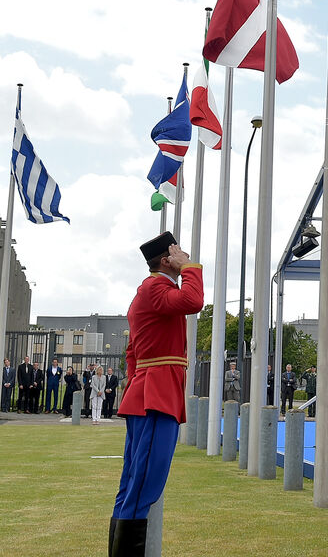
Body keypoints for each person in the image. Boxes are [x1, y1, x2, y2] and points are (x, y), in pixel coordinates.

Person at [110, 233, 204, 556]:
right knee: (142, 488)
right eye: (176, 253)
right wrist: (189, 267)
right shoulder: (155, 288)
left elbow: (132, 353)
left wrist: (139, 384)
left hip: (150, 394)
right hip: (155, 398)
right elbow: (194, 302)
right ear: (166, 260)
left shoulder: (152, 291)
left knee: (134, 487)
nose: (182, 255)